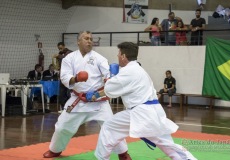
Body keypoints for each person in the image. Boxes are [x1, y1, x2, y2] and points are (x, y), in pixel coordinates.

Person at [93, 42, 197, 160]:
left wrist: (111, 76)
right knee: (168, 145)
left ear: (123, 56)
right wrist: (96, 94)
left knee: (108, 127)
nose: (117, 56)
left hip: (141, 113)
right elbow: (113, 89)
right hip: (153, 112)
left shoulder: (128, 71)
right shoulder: (138, 69)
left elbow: (110, 89)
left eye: (118, 53)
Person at [43, 31, 129, 159]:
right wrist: (76, 79)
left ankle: (123, 154)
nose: (89, 41)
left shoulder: (100, 58)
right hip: (78, 100)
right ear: (78, 41)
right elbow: (65, 77)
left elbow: (108, 76)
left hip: (98, 100)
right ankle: (55, 150)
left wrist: (110, 78)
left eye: (91, 39)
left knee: (111, 127)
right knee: (62, 126)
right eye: (86, 38)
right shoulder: (69, 58)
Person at [53, 42, 73, 112]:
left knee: (69, 93)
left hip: (69, 76)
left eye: (61, 48)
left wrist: (59, 56)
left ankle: (70, 107)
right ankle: (63, 108)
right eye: (59, 49)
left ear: (64, 46)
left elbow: (67, 59)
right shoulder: (60, 54)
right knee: (62, 93)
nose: (60, 50)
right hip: (62, 76)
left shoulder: (70, 52)